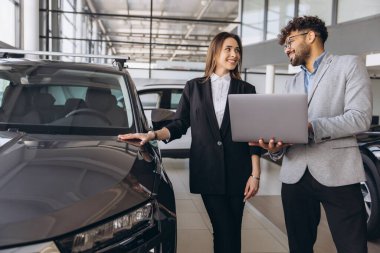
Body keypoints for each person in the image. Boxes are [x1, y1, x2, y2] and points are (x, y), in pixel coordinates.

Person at [118, 32, 263, 253]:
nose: (234, 54)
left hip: (239, 172)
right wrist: (153, 134)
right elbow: (179, 124)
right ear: (215, 52)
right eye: (228, 49)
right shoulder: (194, 87)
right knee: (222, 226)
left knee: (233, 229)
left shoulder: (246, 90)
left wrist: (255, 174)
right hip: (208, 170)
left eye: (237, 50)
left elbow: (252, 135)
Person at [251, 16, 372, 253]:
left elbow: (360, 117)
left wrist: (311, 127)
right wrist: (275, 148)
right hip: (295, 176)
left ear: (310, 36)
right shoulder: (291, 83)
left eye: (290, 41)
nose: (287, 49)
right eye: (285, 45)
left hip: (338, 173)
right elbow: (286, 129)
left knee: (352, 247)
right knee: (299, 247)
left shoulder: (349, 65)